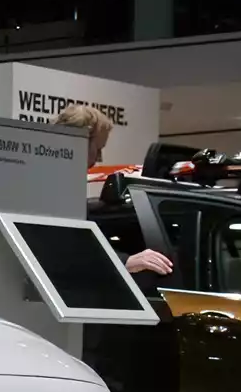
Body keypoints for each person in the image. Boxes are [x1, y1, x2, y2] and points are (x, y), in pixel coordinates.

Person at [54, 103, 173, 277]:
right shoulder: (55, 187)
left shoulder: (56, 182)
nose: (99, 158)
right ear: (80, 141)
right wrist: (125, 262)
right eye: (98, 148)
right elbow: (65, 247)